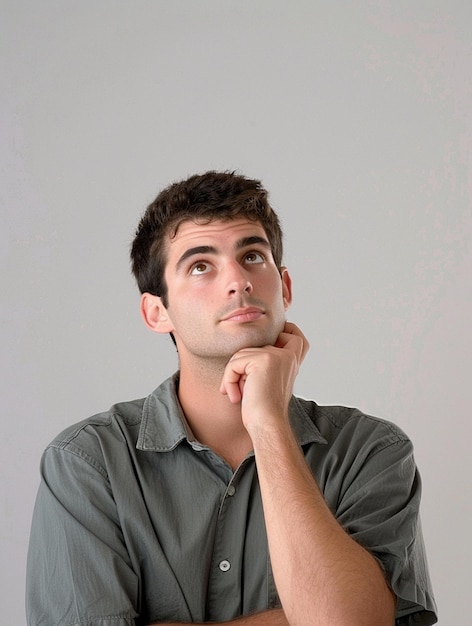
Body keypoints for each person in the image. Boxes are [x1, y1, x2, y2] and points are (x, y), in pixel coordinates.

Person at [26, 171, 437, 625]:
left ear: (286, 287)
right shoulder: (88, 462)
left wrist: (268, 424)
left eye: (253, 256)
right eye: (201, 265)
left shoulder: (370, 451)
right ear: (156, 312)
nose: (238, 281)